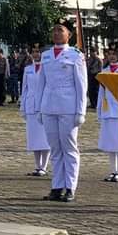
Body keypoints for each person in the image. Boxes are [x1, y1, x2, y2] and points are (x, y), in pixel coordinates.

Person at [35, 19, 87, 203]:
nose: (56, 33)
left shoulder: (75, 55)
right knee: (55, 149)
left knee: (69, 147)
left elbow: (81, 85)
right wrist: (39, 108)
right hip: (49, 105)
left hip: (68, 106)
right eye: (54, 30)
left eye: (61, 30)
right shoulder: (46, 55)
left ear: (69, 35)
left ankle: (70, 186)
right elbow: (41, 83)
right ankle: (57, 186)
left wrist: (81, 111)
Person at [19, 44, 50, 177]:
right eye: (34, 52)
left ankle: (44, 166)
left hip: (44, 105)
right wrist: (23, 106)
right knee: (34, 138)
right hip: (31, 104)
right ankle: (37, 165)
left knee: (45, 138)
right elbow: (25, 88)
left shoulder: (48, 68)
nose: (36, 54)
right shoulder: (28, 69)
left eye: (38, 52)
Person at [97, 44, 118, 183]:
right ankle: (112, 170)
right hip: (108, 110)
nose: (112, 56)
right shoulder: (104, 71)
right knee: (110, 143)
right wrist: (99, 111)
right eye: (109, 53)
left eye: (114, 53)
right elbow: (101, 94)